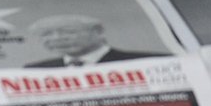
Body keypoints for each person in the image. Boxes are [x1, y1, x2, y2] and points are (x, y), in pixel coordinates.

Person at [23, 15, 162, 67]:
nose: (57, 38)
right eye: (47, 34)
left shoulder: (148, 62)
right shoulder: (35, 70)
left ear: (98, 32)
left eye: (68, 31)